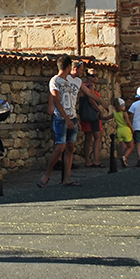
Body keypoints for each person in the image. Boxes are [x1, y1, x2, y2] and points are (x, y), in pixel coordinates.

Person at [37, 57, 101, 188]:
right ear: (67, 67)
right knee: (60, 148)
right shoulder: (55, 80)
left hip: (73, 117)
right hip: (61, 119)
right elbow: (56, 100)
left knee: (70, 147)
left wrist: (102, 103)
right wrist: (66, 119)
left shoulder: (72, 81)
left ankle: (67, 178)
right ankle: (46, 175)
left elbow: (87, 92)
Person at [78, 68, 108, 167]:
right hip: (92, 115)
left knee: (88, 138)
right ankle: (96, 160)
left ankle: (87, 160)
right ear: (88, 76)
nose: (95, 77)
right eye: (92, 75)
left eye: (96, 75)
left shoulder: (86, 86)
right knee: (97, 137)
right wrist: (100, 110)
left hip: (86, 115)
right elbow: (91, 100)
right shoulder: (90, 87)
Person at [113, 97, 135, 166]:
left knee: (123, 147)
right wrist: (132, 128)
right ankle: (124, 157)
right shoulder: (124, 113)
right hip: (126, 130)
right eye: (124, 105)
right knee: (130, 146)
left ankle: (124, 161)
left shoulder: (115, 114)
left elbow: (106, 118)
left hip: (119, 130)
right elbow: (128, 122)